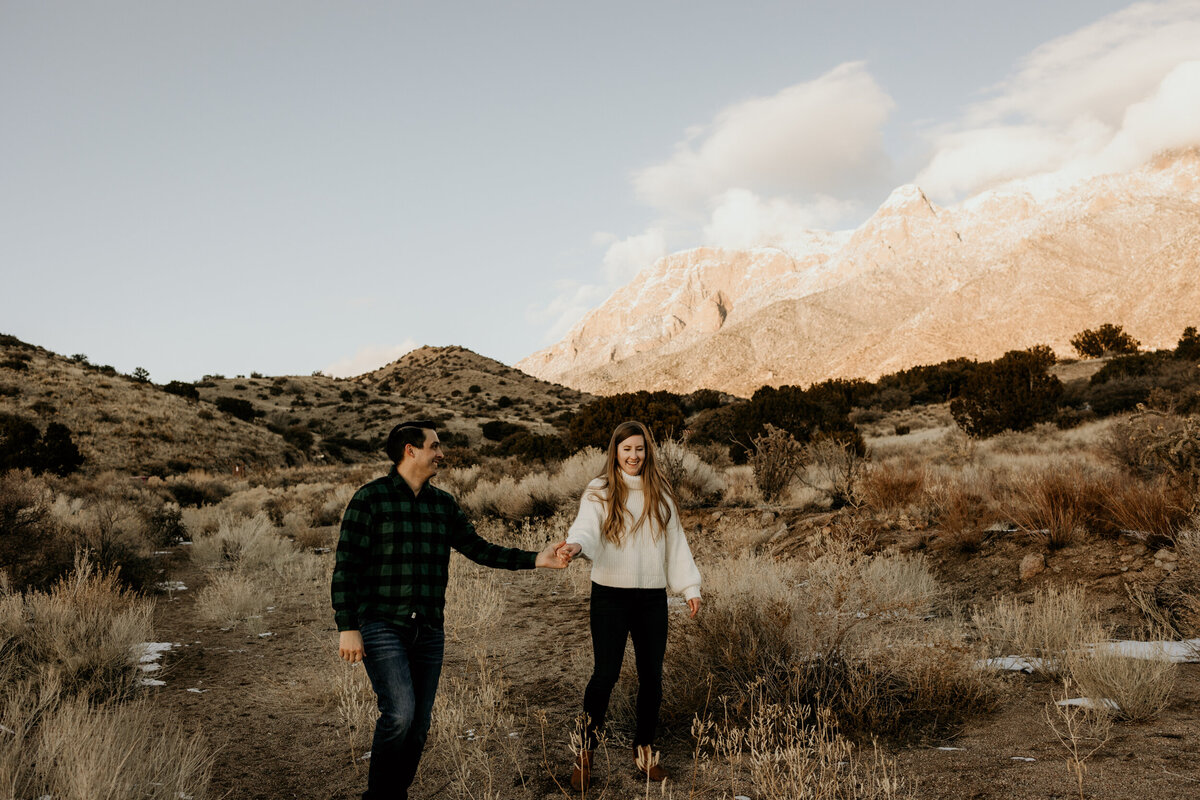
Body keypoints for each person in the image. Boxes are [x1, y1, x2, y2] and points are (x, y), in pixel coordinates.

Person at [332, 420, 571, 800]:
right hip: (381, 624)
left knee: (420, 724)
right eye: (435, 446)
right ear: (410, 450)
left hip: (428, 628)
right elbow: (347, 567)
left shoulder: (442, 505)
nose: (441, 453)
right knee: (400, 715)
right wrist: (348, 626)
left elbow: (479, 549)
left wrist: (536, 559)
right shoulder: (370, 499)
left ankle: (395, 795)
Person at [558, 420, 702, 789]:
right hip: (610, 595)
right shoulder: (601, 489)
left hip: (652, 598)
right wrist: (576, 546)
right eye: (627, 449)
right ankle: (585, 756)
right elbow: (586, 527)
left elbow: (676, 543)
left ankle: (645, 754)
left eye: (639, 449)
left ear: (647, 451)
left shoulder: (661, 491)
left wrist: (689, 587)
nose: (634, 456)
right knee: (605, 674)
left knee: (652, 677)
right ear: (616, 452)